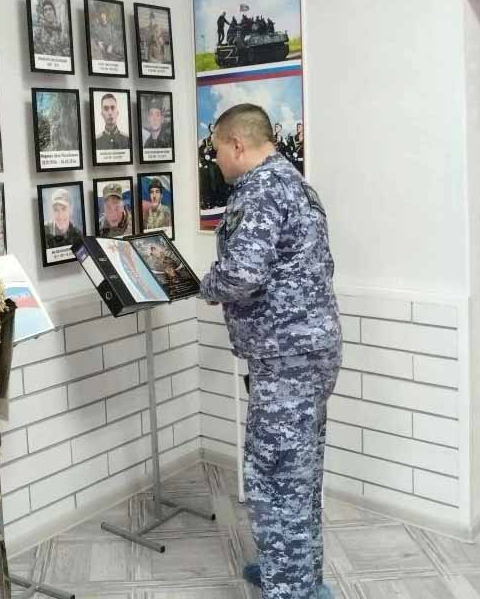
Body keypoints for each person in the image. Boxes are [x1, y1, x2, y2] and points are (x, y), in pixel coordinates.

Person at [198, 104, 340, 599]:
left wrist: (203, 285)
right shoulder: (296, 184)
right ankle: (299, 574)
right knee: (300, 472)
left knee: (276, 476)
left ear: (237, 145)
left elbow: (242, 273)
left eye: (218, 149)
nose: (216, 159)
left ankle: (290, 589)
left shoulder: (259, 190)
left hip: (286, 358)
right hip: (312, 348)